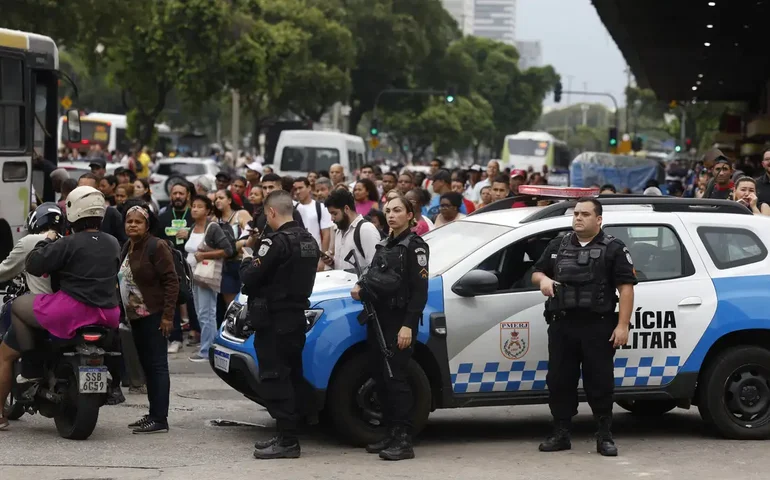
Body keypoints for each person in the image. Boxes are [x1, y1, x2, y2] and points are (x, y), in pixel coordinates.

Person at [0, 187, 122, 430]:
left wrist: (46, 240)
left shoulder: (67, 242)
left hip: (72, 310)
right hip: (108, 312)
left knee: (18, 306)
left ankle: (32, 368)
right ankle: (115, 382)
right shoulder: (113, 242)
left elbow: (35, 264)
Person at [531, 197, 636, 457]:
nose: (578, 218)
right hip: (562, 324)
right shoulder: (558, 245)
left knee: (600, 382)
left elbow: (626, 288)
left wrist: (623, 325)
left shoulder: (613, 248)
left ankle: (604, 435)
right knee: (559, 381)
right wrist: (543, 280)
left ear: (598, 219)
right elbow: (536, 272)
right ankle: (561, 433)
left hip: (597, 326)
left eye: (585, 214)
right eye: (576, 213)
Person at [241, 190, 319, 459]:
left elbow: (250, 277)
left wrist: (247, 259)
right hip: (295, 317)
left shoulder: (275, 242)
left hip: (274, 319)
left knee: (275, 378)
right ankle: (288, 433)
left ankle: (288, 441)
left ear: (271, 212)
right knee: (292, 375)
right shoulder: (309, 240)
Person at [351, 194, 429, 461]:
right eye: (388, 211)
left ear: (410, 215)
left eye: (397, 210)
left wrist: (408, 326)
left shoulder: (415, 247)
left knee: (397, 379)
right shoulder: (385, 244)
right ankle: (391, 433)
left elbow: (419, 292)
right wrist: (360, 286)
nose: (391, 215)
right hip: (378, 319)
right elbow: (373, 274)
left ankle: (404, 440)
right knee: (380, 377)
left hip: (399, 321)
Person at [119, 203, 179, 434]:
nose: (133, 225)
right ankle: (153, 413)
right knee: (147, 367)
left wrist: (167, 316)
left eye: (138, 222)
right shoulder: (128, 246)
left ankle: (160, 418)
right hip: (135, 317)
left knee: (157, 366)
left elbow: (171, 282)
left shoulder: (157, 246)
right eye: (129, 221)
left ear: (147, 225)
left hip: (154, 315)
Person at [186, 195, 234, 362]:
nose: (195, 209)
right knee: (201, 313)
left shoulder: (212, 227)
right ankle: (207, 345)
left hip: (206, 276)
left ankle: (208, 350)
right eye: (193, 206)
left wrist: (204, 255)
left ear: (207, 211)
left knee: (207, 313)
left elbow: (228, 250)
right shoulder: (193, 227)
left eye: (199, 206)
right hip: (194, 275)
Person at [157, 181, 198, 351]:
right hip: (169, 264)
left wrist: (189, 233)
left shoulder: (194, 215)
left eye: (181, 193)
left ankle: (196, 331)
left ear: (187, 195)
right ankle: (175, 338)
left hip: (191, 263)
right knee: (171, 299)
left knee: (192, 298)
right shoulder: (163, 216)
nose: (178, 196)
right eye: (175, 193)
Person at [0, 203, 62, 294]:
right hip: (67, 299)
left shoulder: (29, 242)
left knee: (14, 303)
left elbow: (5, 271)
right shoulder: (68, 241)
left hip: (42, 300)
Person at [322, 189, 382, 272]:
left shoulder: (366, 229)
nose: (332, 218)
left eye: (335, 213)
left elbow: (375, 267)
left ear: (346, 209)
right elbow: (342, 266)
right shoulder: (339, 231)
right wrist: (331, 263)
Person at [214, 189, 253, 309]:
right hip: (225, 265)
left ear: (229, 200)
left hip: (242, 262)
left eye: (221, 198)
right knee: (231, 305)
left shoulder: (241, 214)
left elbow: (252, 233)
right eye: (216, 199)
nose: (217, 201)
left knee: (246, 301)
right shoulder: (215, 220)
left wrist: (240, 243)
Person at [77, 174, 127, 244]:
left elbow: (123, 241)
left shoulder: (110, 214)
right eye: (80, 189)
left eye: (88, 189)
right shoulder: (72, 212)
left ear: (97, 190)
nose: (83, 193)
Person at [293, 177, 333, 261]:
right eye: (295, 189)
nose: (298, 191)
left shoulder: (320, 207)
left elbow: (326, 234)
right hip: (297, 255)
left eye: (300, 188)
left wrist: (323, 258)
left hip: (316, 253)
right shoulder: (293, 209)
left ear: (309, 188)